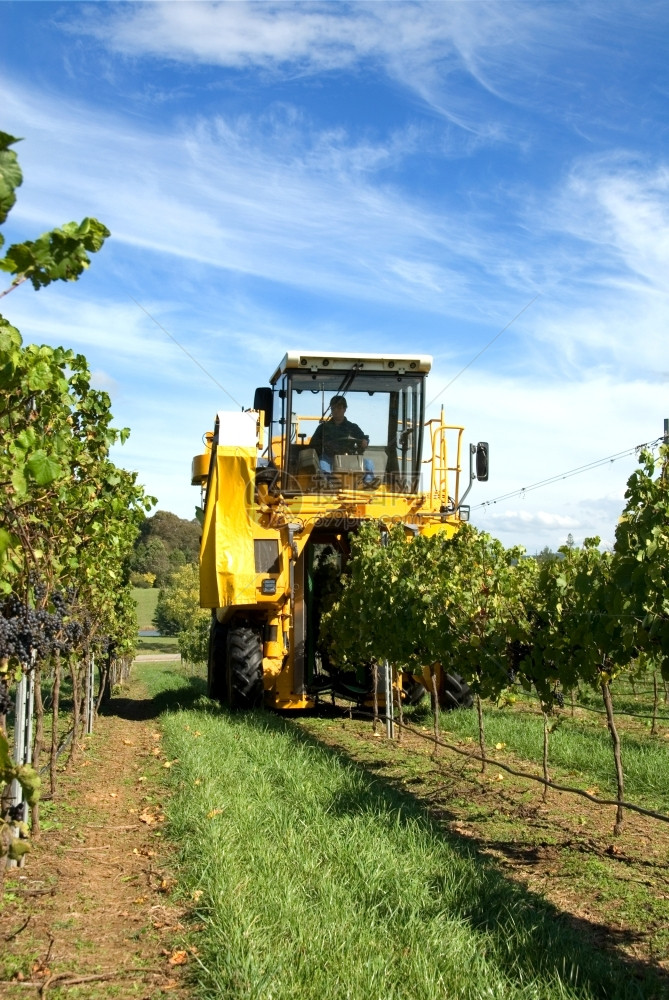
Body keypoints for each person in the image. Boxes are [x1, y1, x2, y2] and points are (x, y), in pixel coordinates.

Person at [309, 395, 377, 484]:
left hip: (350, 458)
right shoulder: (323, 428)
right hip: (329, 458)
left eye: (339, 408)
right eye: (333, 408)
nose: (336, 411)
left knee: (369, 463)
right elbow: (313, 444)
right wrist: (324, 444)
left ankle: (368, 485)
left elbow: (364, 439)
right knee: (322, 464)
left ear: (345, 409)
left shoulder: (353, 427)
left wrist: (365, 441)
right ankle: (329, 484)